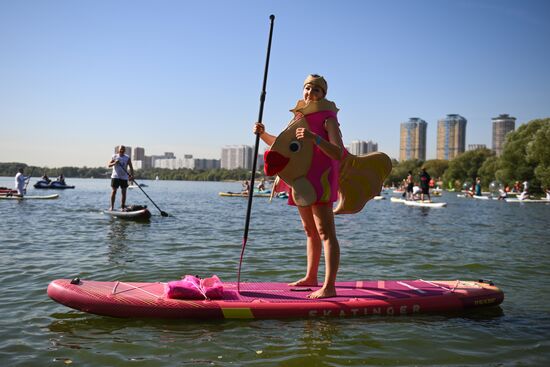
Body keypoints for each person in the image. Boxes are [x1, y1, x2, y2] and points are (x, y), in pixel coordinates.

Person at [253, 74, 344, 299]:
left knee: (326, 232)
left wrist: (316, 139)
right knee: (309, 231)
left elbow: (338, 152)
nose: (310, 93)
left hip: (321, 177)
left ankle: (329, 286)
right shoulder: (298, 116)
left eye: (316, 89)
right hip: (300, 178)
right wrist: (262, 133)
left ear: (324, 94)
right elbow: (283, 146)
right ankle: (311, 277)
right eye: (307, 88)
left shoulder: (328, 118)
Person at [108, 145, 134, 211]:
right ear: (118, 150)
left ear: (124, 150)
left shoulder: (127, 157)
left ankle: (122, 207)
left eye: (123, 149)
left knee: (124, 192)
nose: (122, 150)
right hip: (115, 176)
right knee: (114, 191)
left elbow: (131, 167)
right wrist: (114, 163)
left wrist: (132, 176)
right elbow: (109, 165)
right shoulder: (114, 156)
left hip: (124, 177)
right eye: (121, 149)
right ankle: (112, 207)